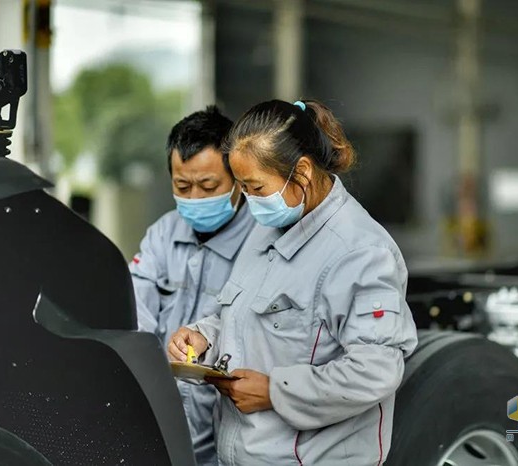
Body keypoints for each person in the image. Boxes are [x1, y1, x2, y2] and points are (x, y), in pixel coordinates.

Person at [168, 99, 418, 465]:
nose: (249, 201)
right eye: (242, 187)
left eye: (255, 187)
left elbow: (376, 371)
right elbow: (243, 320)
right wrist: (203, 337)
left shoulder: (361, 253)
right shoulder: (266, 227)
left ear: (300, 172)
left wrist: (275, 392)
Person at [129, 106, 256, 466]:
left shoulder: (263, 243)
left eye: (209, 186)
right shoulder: (162, 235)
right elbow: (135, 310)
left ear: (238, 180)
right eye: (183, 186)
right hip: (162, 414)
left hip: (231, 424)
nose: (196, 198)